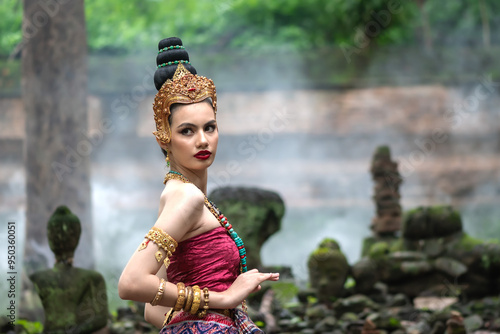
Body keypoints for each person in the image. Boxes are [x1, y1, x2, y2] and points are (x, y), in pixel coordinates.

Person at [118, 37, 279, 333]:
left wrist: (204, 318)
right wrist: (223, 298)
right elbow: (131, 283)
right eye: (187, 131)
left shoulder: (179, 197)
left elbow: (153, 311)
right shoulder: (186, 198)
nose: (203, 140)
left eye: (210, 127)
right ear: (164, 139)